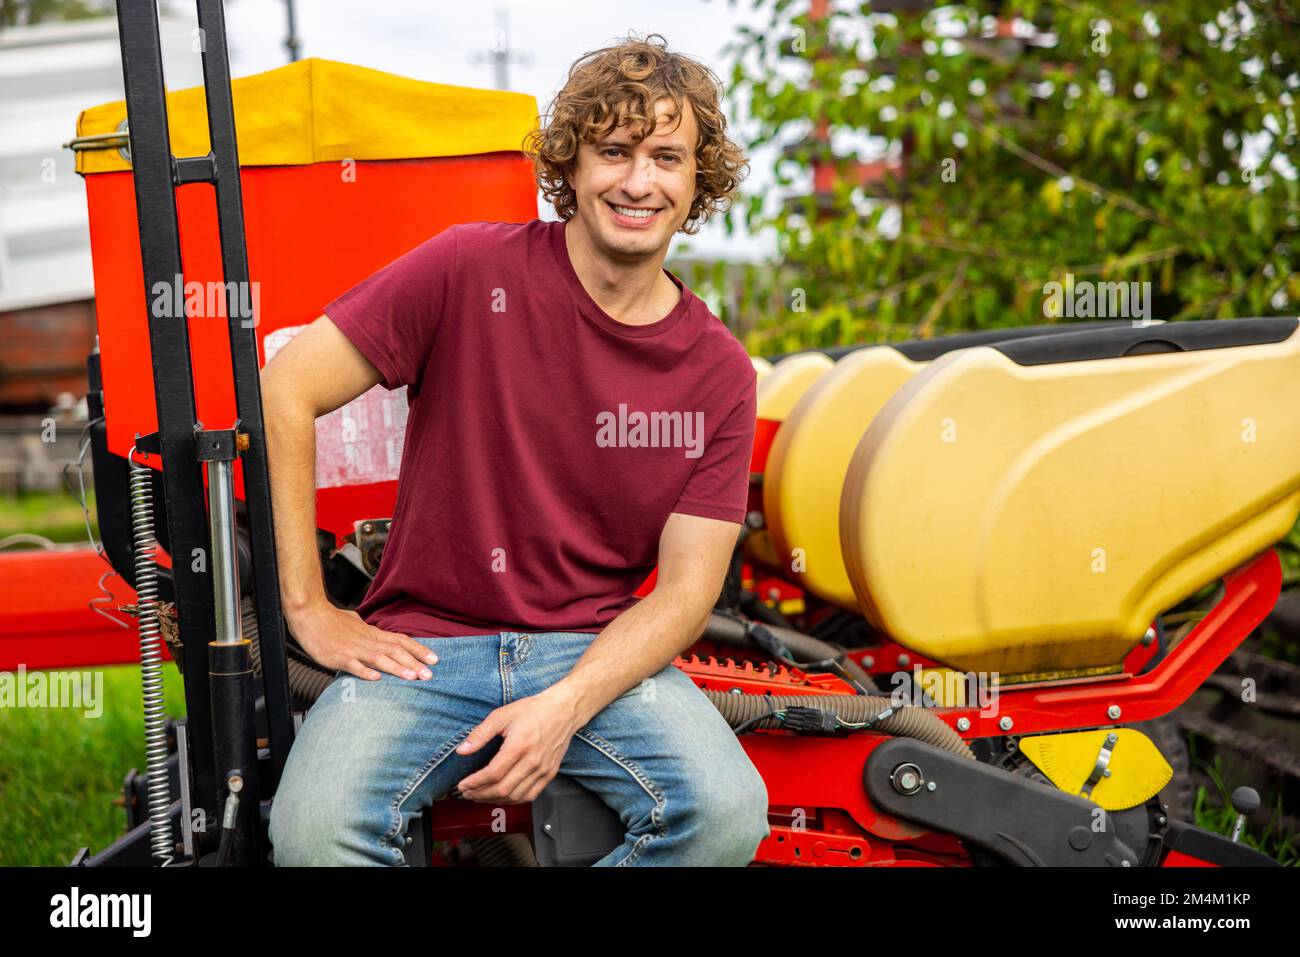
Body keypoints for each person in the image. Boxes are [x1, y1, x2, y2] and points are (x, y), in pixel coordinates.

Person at [263, 32, 767, 866]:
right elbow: (287, 387)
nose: (639, 182)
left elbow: (683, 595)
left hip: (596, 652)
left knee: (723, 813)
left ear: (696, 184)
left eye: (667, 158)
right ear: (570, 165)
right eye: (614, 151)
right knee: (313, 835)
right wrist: (310, 609)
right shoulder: (466, 267)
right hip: (423, 645)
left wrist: (566, 703)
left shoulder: (719, 371)